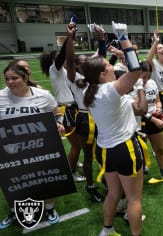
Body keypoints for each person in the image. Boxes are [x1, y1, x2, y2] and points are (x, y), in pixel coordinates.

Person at [82, 21, 147, 236]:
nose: (112, 67)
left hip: (105, 149)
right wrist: (123, 38)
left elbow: (101, 66)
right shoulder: (109, 90)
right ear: (102, 74)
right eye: (109, 67)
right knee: (134, 198)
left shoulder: (89, 92)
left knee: (113, 194)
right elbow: (137, 69)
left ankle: (107, 230)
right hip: (124, 147)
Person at [0, 60, 64, 229]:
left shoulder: (42, 95)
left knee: (44, 178)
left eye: (14, 78)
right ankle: (15, 211)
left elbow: (56, 113)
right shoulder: (0, 97)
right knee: (15, 182)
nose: (10, 82)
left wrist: (59, 123)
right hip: (11, 151)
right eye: (6, 79)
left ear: (26, 78)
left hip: (40, 148)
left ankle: (49, 208)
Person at [65, 23, 105, 202]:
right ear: (76, 66)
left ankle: (106, 177)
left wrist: (102, 39)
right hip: (84, 118)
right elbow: (70, 56)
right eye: (81, 62)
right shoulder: (75, 79)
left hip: (101, 116)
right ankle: (90, 186)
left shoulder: (94, 77)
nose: (85, 63)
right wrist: (70, 38)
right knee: (88, 155)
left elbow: (102, 57)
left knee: (104, 151)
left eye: (86, 61)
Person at [39, 36, 85, 183]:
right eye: (59, 57)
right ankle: (70, 173)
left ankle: (72, 163)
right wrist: (69, 37)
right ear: (54, 60)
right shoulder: (56, 69)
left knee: (78, 144)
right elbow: (63, 57)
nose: (63, 59)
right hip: (66, 110)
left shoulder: (66, 72)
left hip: (73, 109)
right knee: (76, 146)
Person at [138, 61, 163, 178]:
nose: (146, 79)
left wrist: (159, 108)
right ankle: (141, 171)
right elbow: (139, 109)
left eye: (148, 76)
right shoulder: (134, 86)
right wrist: (154, 119)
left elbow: (157, 100)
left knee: (159, 149)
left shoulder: (152, 83)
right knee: (140, 151)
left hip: (154, 118)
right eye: (144, 76)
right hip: (139, 122)